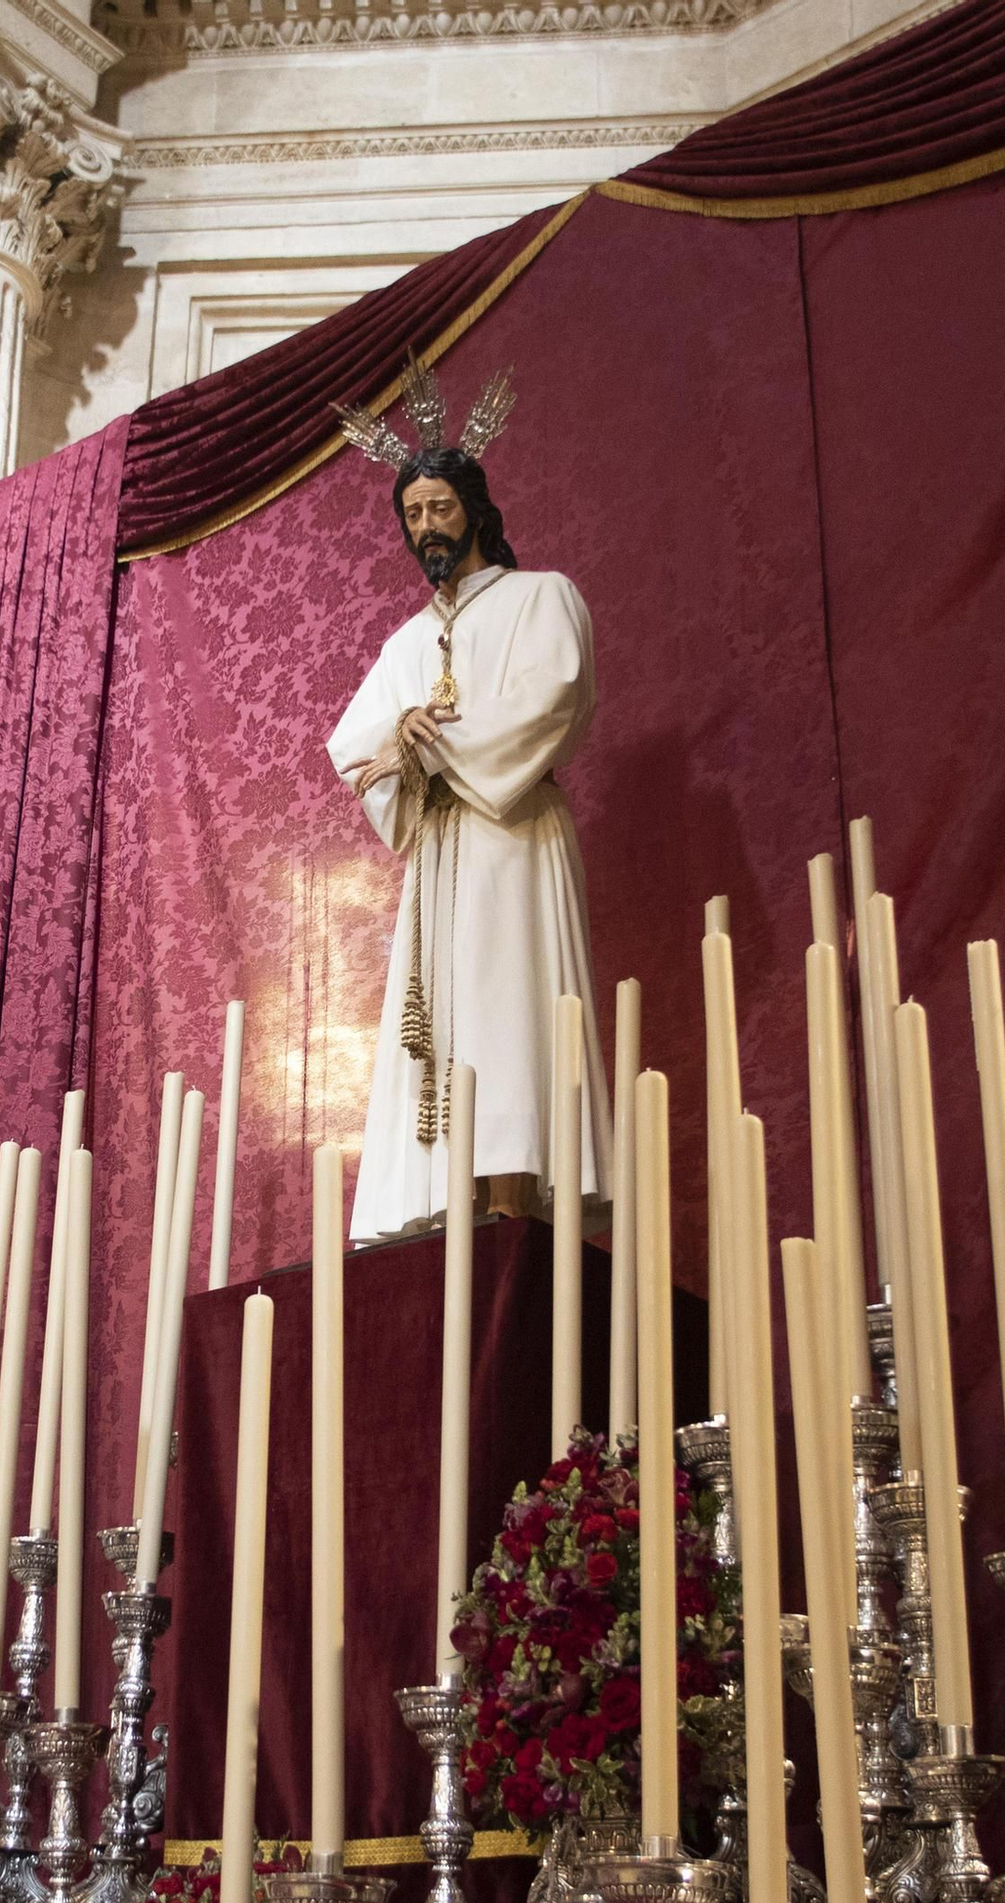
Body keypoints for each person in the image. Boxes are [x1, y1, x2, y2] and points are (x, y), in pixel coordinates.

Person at [328, 362, 611, 1244]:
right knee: (444, 1017)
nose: (427, 527)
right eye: (412, 514)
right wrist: (403, 745)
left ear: (476, 511)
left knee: (511, 1003)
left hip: (513, 835)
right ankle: (449, 1204)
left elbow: (555, 694)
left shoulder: (542, 599)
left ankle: (513, 1199)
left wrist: (437, 742)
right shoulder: (406, 642)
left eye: (441, 508)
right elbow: (355, 748)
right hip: (444, 852)